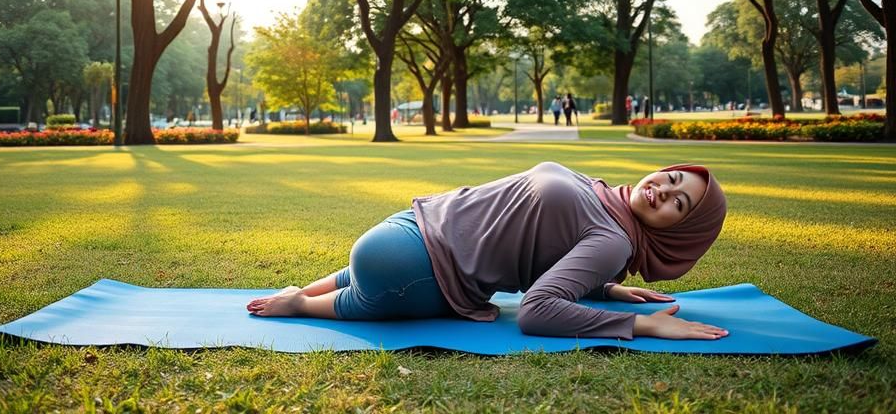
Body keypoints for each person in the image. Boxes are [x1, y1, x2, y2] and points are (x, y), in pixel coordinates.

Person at [248, 162, 728, 340]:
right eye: (670, 178)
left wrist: (602, 285)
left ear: (681, 233)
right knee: (368, 296)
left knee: (367, 278)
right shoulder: (612, 228)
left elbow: (544, 243)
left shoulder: (602, 210)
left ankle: (302, 292)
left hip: (405, 231)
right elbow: (537, 312)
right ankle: (301, 303)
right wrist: (645, 324)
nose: (663, 190)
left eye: (678, 202)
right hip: (412, 265)